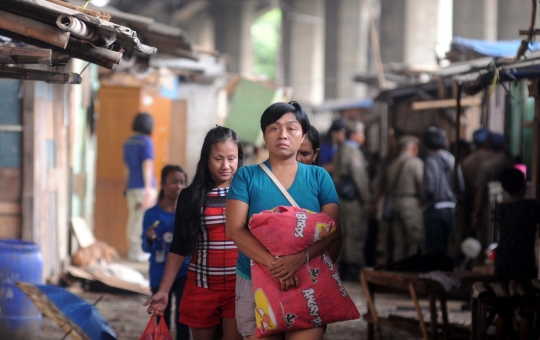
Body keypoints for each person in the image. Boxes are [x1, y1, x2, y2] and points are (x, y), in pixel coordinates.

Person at [226, 101, 341, 340]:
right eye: (274, 128)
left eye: (291, 128)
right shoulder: (246, 177)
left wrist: (300, 260)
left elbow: (333, 230)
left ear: (302, 136)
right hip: (255, 280)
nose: (283, 135)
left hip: (306, 280)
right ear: (264, 135)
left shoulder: (319, 177)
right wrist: (277, 267)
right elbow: (235, 229)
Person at [144, 126, 243, 340]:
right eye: (218, 158)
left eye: (231, 158)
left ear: (239, 159)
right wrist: (163, 290)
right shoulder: (191, 196)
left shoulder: (248, 191)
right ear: (206, 159)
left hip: (240, 288)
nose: (225, 166)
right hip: (202, 288)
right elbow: (179, 246)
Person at [142, 165, 191, 340]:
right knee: (161, 316)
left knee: (183, 317)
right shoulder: (151, 214)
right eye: (173, 182)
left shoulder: (187, 214)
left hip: (184, 272)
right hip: (158, 273)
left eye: (182, 182)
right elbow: (145, 249)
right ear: (162, 184)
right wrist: (149, 238)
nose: (178, 186)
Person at [494, 168, 539, 340]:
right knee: (527, 309)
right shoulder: (531, 207)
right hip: (523, 264)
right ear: (523, 186)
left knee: (503, 311)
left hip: (503, 262)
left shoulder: (501, 209)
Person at [332, 121, 372, 280]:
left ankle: (342, 267)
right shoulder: (353, 152)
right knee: (354, 233)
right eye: (362, 133)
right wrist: (367, 199)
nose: (363, 137)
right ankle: (353, 268)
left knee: (344, 232)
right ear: (355, 134)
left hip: (341, 199)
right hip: (352, 200)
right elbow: (359, 177)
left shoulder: (341, 150)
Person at [422, 126, 464, 256]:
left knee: (435, 251)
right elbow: (461, 185)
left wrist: (423, 202)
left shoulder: (430, 161)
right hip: (451, 209)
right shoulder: (451, 158)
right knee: (449, 249)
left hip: (435, 210)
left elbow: (429, 188)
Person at [124, 112, 157, 262]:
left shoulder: (128, 142)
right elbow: (147, 165)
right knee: (141, 219)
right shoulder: (146, 142)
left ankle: (133, 251)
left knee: (133, 218)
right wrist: (148, 189)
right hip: (143, 187)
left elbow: (127, 168)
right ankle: (138, 252)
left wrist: (126, 185)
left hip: (131, 186)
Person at [387, 136, 424, 262]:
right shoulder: (416, 162)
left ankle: (398, 266)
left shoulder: (393, 164)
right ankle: (412, 266)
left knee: (399, 241)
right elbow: (421, 184)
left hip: (395, 202)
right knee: (415, 238)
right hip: (410, 202)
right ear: (413, 148)